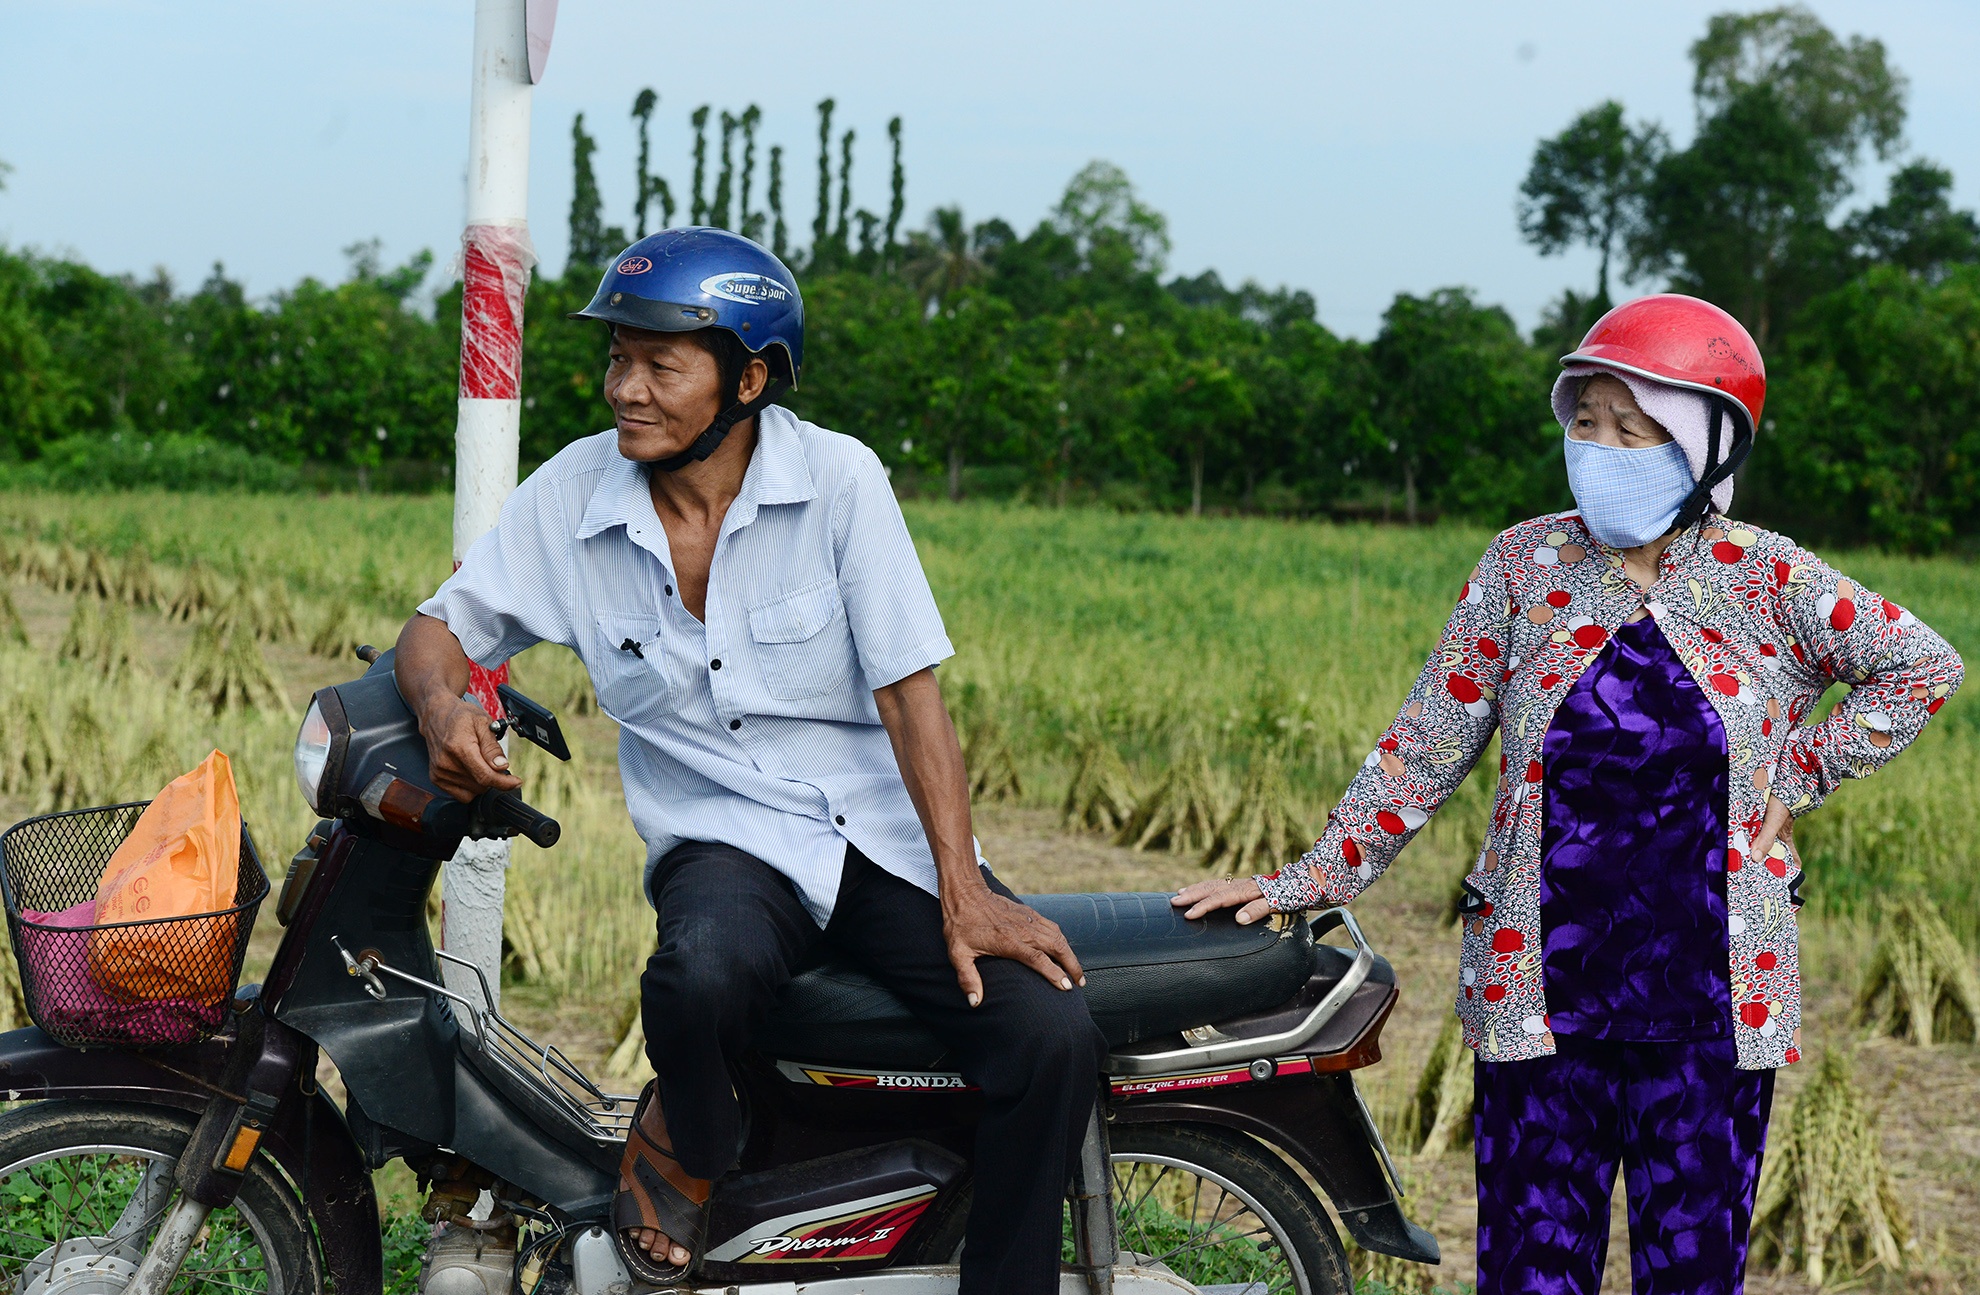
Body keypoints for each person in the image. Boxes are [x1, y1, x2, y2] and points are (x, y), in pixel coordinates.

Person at [1176, 294, 1964, 1293]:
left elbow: (1920, 665)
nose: (1600, 445)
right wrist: (1311, 875)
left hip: (1710, 1004)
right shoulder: (1523, 563)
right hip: (1542, 997)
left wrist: (1802, 770)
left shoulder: (1767, 577)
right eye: (1585, 419)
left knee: (1693, 1270)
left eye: (1631, 427)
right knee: (1530, 1269)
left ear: (1704, 446)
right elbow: (1428, 740)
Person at [395, 227, 1105, 1294]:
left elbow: (913, 697)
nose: (625, 388)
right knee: (696, 975)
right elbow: (438, 629)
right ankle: (694, 1147)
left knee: (1047, 1031)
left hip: (872, 831)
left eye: (658, 364)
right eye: (616, 359)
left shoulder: (837, 481)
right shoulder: (574, 496)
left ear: (750, 377)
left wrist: (965, 890)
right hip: (721, 839)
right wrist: (445, 705)